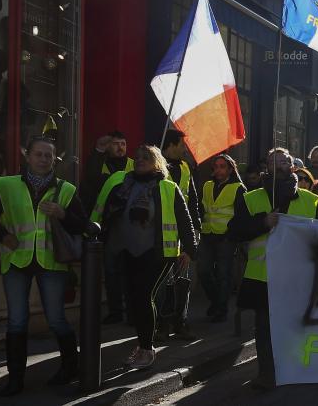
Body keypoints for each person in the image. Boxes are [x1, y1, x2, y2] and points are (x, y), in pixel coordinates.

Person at [0, 137, 88, 395]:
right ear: (27, 156)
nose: (43, 159)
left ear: (54, 160)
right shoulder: (5, 185)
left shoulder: (66, 190)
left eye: (48, 156)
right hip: (16, 260)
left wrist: (63, 214)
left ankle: (70, 368)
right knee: (16, 321)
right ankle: (15, 379)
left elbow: (83, 226)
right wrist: (1, 235)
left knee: (57, 319)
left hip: (51, 262)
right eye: (39, 154)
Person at [92, 144, 196, 370]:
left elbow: (184, 220)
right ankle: (142, 344)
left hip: (158, 252)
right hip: (127, 250)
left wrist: (188, 249)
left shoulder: (168, 187)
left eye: (146, 157)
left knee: (143, 296)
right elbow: (106, 210)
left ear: (157, 161)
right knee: (133, 298)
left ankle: (147, 349)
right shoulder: (123, 185)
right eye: (137, 157)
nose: (139, 160)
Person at [228, 148, 318, 390]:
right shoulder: (251, 198)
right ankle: (266, 373)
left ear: (293, 166)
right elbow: (234, 231)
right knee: (265, 327)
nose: (277, 164)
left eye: (283, 161)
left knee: (295, 324)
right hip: (262, 275)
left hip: (297, 277)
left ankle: (292, 368)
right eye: (272, 161)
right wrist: (262, 223)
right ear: (265, 166)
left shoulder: (311, 201)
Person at [159, 129, 200, 339]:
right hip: (160, 239)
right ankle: (162, 325)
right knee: (164, 283)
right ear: (171, 145)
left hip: (182, 236)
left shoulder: (185, 168)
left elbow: (192, 201)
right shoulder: (155, 167)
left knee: (183, 281)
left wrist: (195, 233)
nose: (185, 149)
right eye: (182, 144)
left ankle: (180, 322)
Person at [198, 153, 246, 323]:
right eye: (216, 166)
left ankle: (222, 309)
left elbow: (241, 216)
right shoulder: (207, 186)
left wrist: (230, 234)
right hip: (207, 233)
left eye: (222, 166)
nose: (218, 170)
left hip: (226, 237)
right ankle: (216, 301)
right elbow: (202, 207)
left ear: (231, 169)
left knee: (223, 274)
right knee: (203, 270)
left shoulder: (238, 188)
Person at [83, 131, 133, 208]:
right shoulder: (99, 163)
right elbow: (91, 178)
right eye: (116, 144)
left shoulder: (134, 164)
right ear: (108, 146)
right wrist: (99, 149)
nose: (120, 147)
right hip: (102, 212)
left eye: (123, 144)